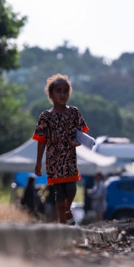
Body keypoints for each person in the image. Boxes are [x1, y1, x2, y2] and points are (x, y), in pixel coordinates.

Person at [33, 74, 89, 225]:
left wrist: (79, 141)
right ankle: (64, 223)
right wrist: (38, 163)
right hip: (54, 160)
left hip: (70, 159)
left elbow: (81, 133)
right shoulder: (45, 116)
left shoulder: (74, 112)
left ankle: (66, 211)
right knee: (59, 192)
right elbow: (41, 140)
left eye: (65, 91)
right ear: (51, 95)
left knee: (71, 189)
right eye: (58, 91)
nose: (62, 94)